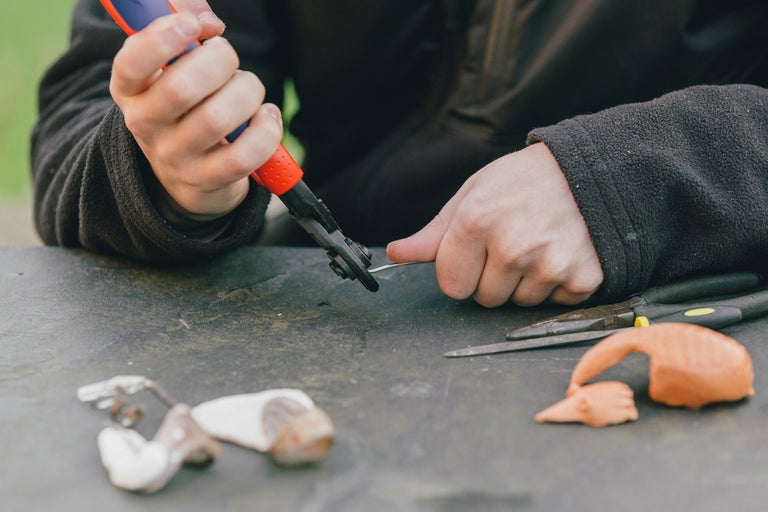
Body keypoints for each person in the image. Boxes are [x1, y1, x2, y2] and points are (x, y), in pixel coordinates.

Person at [31, 0, 768, 308]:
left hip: (694, 313)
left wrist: (640, 177)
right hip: (332, 324)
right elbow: (78, 124)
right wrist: (165, 172)